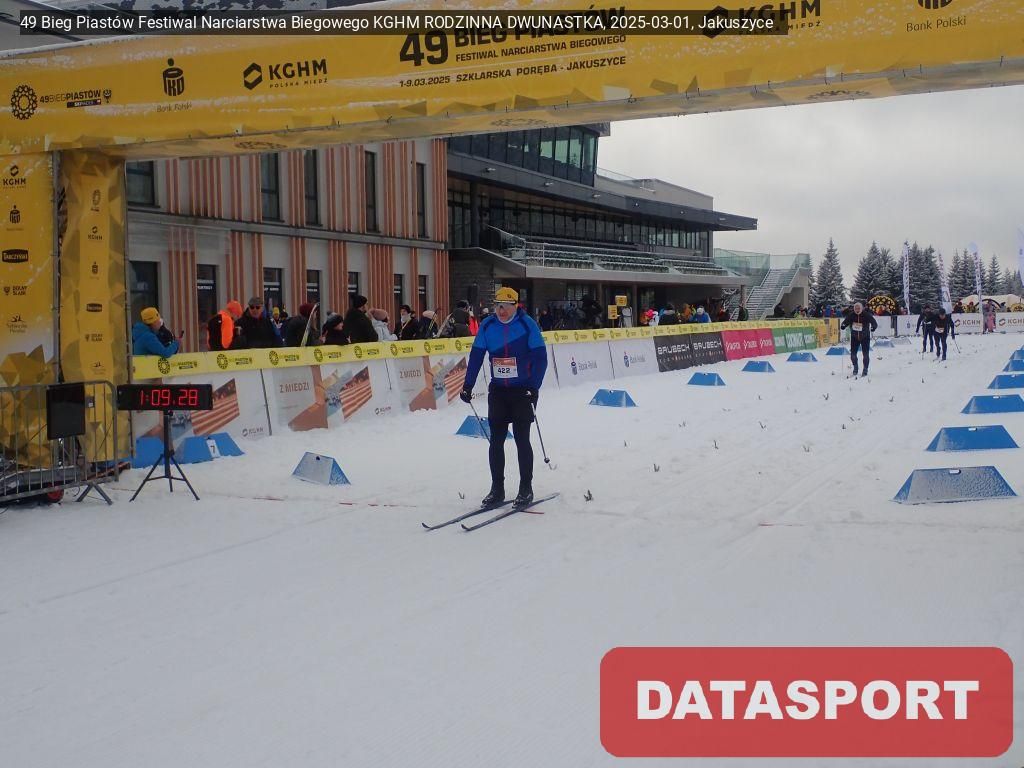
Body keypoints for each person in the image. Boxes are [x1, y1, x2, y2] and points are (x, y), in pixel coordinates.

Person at [460, 287, 548, 509]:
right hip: (499, 391)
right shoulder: (488, 326)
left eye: (506, 306)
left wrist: (534, 386)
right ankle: (497, 489)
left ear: (516, 306)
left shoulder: (527, 325)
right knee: (496, 441)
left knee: (521, 439)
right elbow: (476, 356)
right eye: (498, 306)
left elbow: (541, 358)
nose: (501, 310)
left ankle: (525, 488)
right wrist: (468, 385)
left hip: (523, 391)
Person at [841, 301, 878, 377]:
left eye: (858, 308)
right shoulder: (851, 315)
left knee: (865, 355)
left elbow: (874, 322)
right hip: (854, 337)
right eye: (856, 308)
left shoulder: (866, 314)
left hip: (865, 337)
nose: (857, 310)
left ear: (861, 308)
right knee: (853, 355)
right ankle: (855, 367)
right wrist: (843, 325)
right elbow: (846, 321)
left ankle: (865, 369)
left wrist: (873, 327)